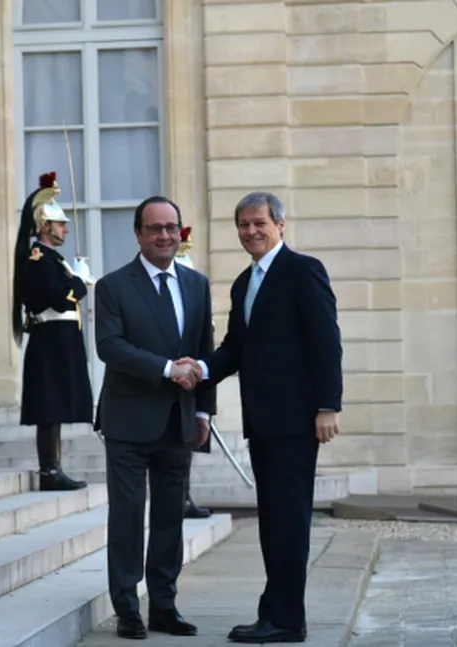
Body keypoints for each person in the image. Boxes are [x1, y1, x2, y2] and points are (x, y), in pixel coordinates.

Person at [185, 191, 343, 643]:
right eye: (243, 225)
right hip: (264, 422)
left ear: (280, 225)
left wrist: (327, 405)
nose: (250, 231)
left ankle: (287, 620)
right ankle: (275, 613)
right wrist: (201, 370)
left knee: (289, 521)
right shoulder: (243, 282)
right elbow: (236, 347)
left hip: (296, 421)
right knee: (274, 519)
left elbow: (325, 342)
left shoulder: (302, 270)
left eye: (259, 223)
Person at [94, 196, 216, 640]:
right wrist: (168, 369)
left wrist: (204, 409)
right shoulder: (112, 286)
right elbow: (109, 347)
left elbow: (206, 350)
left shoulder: (197, 284)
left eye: (172, 228)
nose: (166, 236)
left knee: (169, 520)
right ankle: (127, 608)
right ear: (139, 234)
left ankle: (164, 606)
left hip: (179, 420)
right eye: (156, 228)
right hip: (128, 421)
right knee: (127, 516)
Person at [12, 172, 95, 491]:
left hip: (60, 341)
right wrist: (78, 282)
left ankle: (54, 467)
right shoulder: (39, 258)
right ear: (45, 226)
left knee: (56, 406)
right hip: (50, 339)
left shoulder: (52, 259)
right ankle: (49, 470)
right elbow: (59, 299)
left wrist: (72, 278)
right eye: (60, 223)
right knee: (49, 407)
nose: (66, 228)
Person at [172, 226, 212, 520]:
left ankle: (185, 496)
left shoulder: (197, 284)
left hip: (193, 376)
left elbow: (204, 344)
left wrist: (205, 410)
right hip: (170, 377)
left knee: (189, 443)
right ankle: (181, 496)